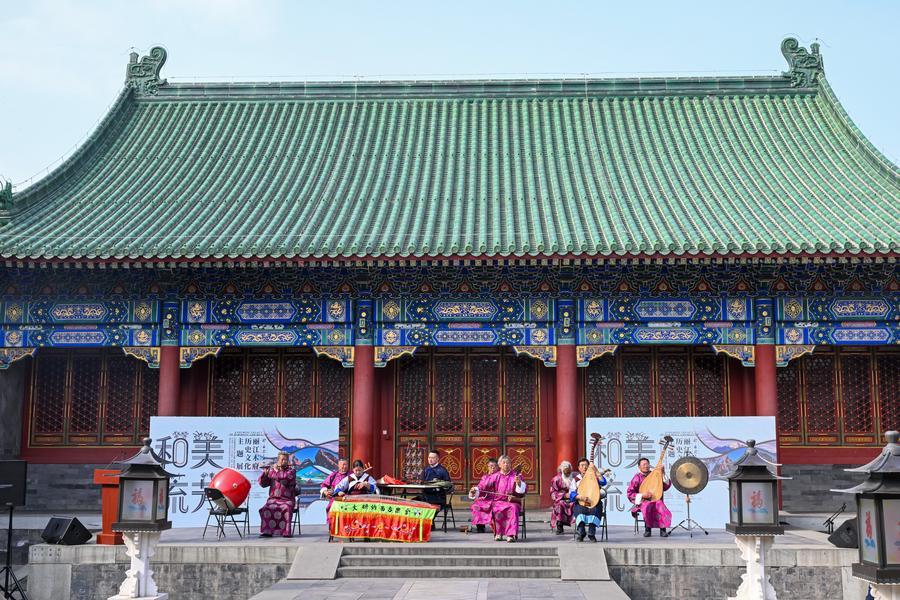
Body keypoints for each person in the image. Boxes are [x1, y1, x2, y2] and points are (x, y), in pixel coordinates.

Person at [481, 455, 526, 542]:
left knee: (513, 507)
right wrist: (475, 490)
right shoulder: (495, 476)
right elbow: (484, 486)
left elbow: (523, 491)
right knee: (495, 507)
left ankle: (510, 535)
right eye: (504, 462)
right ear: (500, 465)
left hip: (512, 502)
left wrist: (519, 483)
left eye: (508, 462)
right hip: (499, 501)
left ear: (511, 464)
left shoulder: (516, 475)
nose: (506, 464)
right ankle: (499, 533)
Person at [626, 457, 672, 537]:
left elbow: (665, 487)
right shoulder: (637, 478)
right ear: (639, 467)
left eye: (647, 464)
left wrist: (663, 473)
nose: (646, 466)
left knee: (660, 505)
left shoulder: (654, 475)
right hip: (643, 501)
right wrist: (642, 495)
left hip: (656, 499)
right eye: (643, 465)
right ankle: (648, 529)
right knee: (647, 506)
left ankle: (663, 529)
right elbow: (630, 493)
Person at [258, 451, 298, 538]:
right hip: (273, 499)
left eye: (286, 459)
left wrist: (275, 471)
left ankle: (286, 532)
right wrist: (265, 474)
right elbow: (263, 484)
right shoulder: (272, 471)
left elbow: (283, 477)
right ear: (278, 460)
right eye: (282, 459)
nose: (284, 461)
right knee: (266, 508)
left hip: (287, 499)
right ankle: (267, 531)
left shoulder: (291, 471)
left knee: (286, 507)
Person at [570, 457, 608, 542]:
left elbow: (603, 482)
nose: (584, 467)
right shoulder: (576, 479)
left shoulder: (594, 477)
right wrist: (580, 497)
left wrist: (596, 470)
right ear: (579, 468)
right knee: (579, 510)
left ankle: (591, 533)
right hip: (581, 502)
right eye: (582, 465)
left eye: (586, 465)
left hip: (594, 502)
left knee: (596, 509)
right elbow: (572, 493)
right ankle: (581, 533)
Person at [469, 457, 498, 533]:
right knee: (476, 505)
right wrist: (475, 489)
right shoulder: (485, 477)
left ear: (498, 467)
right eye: (490, 466)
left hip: (497, 498)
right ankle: (480, 527)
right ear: (488, 467)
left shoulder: (500, 476)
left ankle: (496, 526)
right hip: (487, 498)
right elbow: (480, 487)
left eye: (494, 466)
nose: (492, 467)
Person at [549, 461, 574, 535]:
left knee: (577, 504)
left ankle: (580, 527)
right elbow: (553, 492)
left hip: (573, 499)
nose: (567, 471)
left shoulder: (574, 478)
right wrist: (564, 495)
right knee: (560, 504)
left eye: (568, 469)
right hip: (561, 499)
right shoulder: (556, 479)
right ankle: (559, 526)